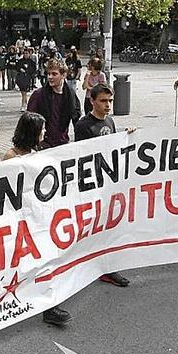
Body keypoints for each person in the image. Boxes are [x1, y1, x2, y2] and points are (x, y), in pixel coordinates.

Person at [3, 111, 71, 327]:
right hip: (19, 222)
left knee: (45, 262)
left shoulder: (37, 152)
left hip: (38, 218)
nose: (44, 132)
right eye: (41, 129)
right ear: (31, 132)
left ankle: (48, 306)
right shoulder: (11, 157)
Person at [73, 84, 136, 286]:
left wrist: (127, 136)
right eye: (103, 101)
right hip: (93, 185)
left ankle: (107, 266)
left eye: (110, 101)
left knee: (109, 227)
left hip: (110, 182)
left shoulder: (110, 120)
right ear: (92, 101)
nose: (108, 105)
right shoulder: (83, 125)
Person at [26, 58, 82, 149]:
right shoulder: (39, 95)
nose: (50, 77)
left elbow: (76, 118)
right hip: (43, 145)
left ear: (63, 75)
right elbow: (29, 121)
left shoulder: (70, 94)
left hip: (63, 144)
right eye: (48, 74)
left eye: (54, 74)